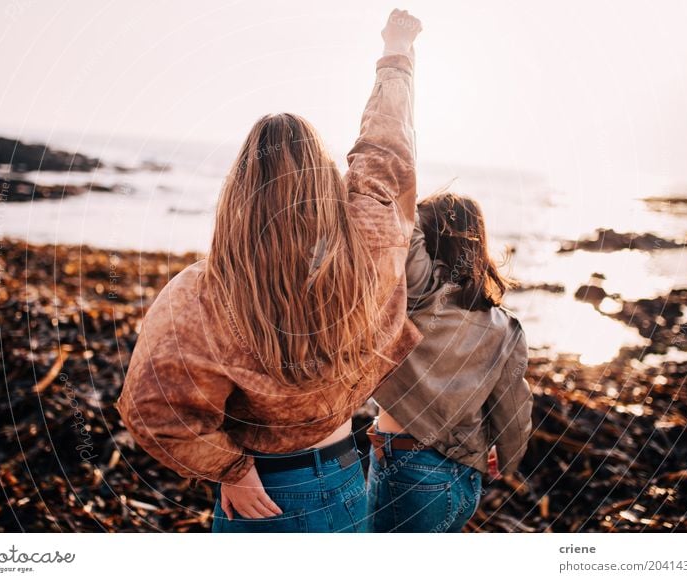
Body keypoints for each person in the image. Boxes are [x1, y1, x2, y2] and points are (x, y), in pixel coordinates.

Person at [116, 9, 422, 533]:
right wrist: (397, 52)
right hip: (351, 480)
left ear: (238, 196)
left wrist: (229, 469)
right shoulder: (370, 237)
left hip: (266, 495)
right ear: (324, 181)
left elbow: (151, 409)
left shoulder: (201, 294)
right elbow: (387, 147)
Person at [366, 190, 533, 533]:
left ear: (427, 243)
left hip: (410, 475)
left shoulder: (423, 295)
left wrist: (411, 203)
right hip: (465, 482)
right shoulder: (506, 326)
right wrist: (508, 460)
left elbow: (399, 224)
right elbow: (514, 407)